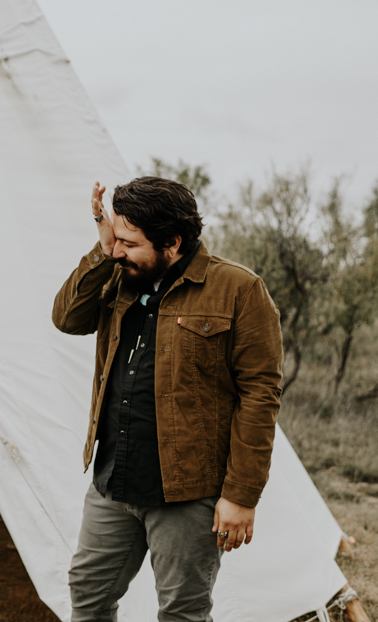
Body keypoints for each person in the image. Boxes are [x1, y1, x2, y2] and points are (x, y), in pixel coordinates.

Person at [52, 177, 283, 622]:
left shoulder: (239, 290)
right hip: (113, 480)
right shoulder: (117, 273)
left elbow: (260, 395)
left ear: (172, 243)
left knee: (182, 612)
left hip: (186, 491)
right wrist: (104, 247)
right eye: (115, 238)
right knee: (88, 594)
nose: (118, 251)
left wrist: (241, 495)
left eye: (128, 242)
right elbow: (66, 317)